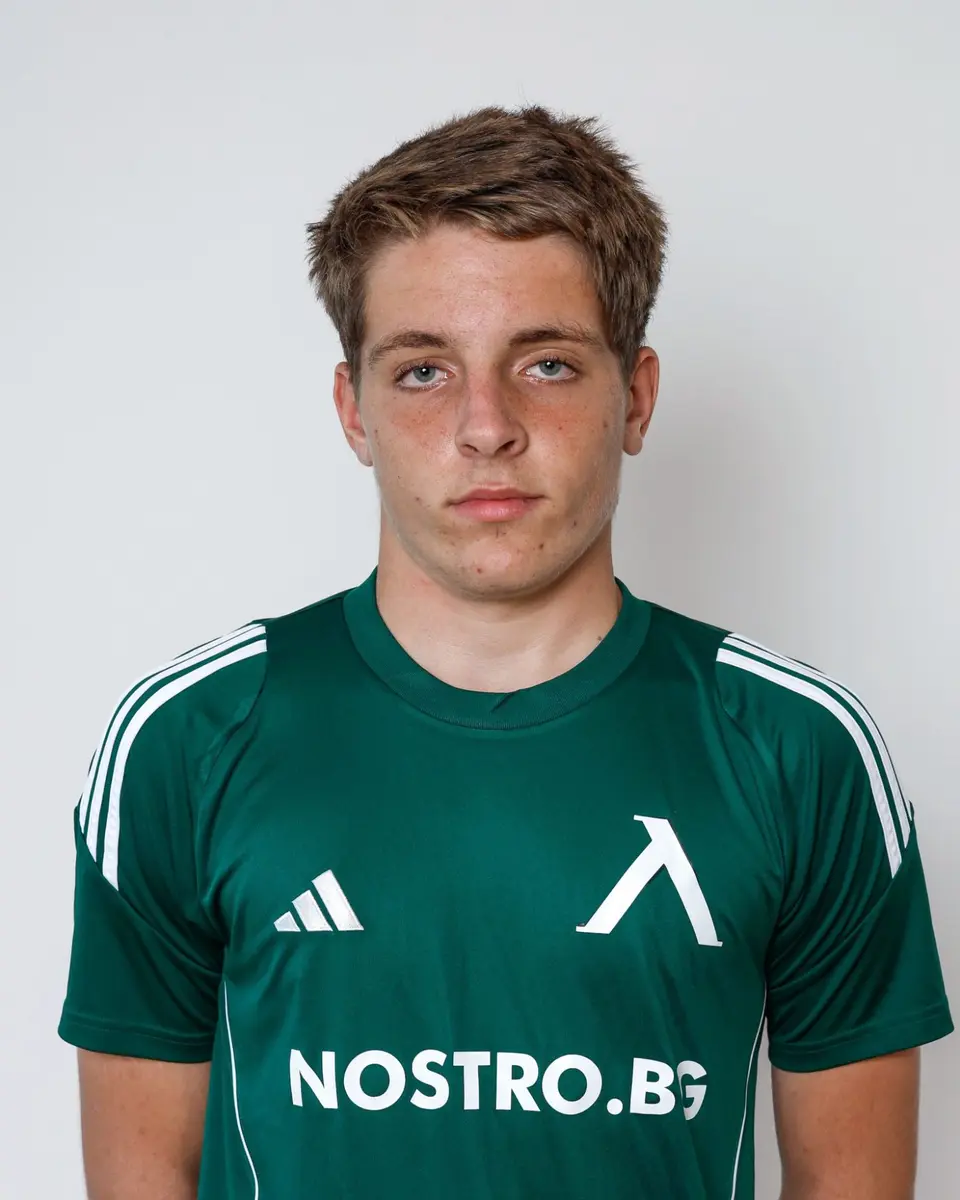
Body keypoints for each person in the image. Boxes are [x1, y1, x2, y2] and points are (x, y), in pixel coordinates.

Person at [59, 105, 952, 1200]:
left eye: (548, 364)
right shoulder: (187, 739)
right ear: (353, 410)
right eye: (423, 371)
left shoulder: (799, 750)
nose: (487, 426)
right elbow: (144, 1170)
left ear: (638, 397)